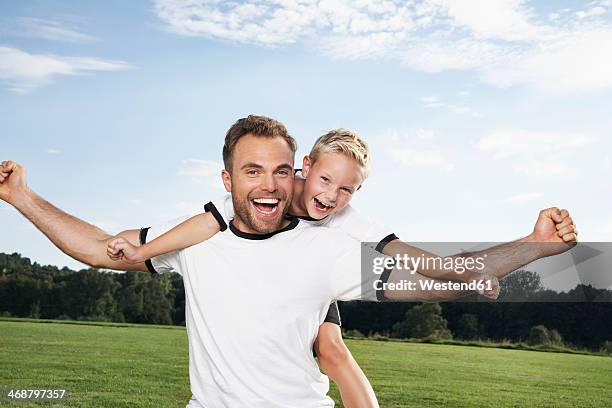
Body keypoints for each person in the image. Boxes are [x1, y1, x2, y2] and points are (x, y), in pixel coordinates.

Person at [0, 115, 578, 408]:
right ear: (227, 180)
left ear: (295, 172)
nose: (269, 184)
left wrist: (533, 246)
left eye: (280, 170)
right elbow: (102, 249)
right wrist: (21, 196)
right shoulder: (194, 238)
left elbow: (439, 279)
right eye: (252, 171)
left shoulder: (332, 244)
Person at [104, 129, 503, 407]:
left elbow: (401, 251)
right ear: (305, 168)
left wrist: (465, 273)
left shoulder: (347, 219)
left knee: (331, 348)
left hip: (313, 270)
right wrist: (145, 251)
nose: (331, 195)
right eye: (325, 180)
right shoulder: (272, 188)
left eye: (346, 189)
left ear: (357, 190)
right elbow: (208, 221)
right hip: (282, 268)